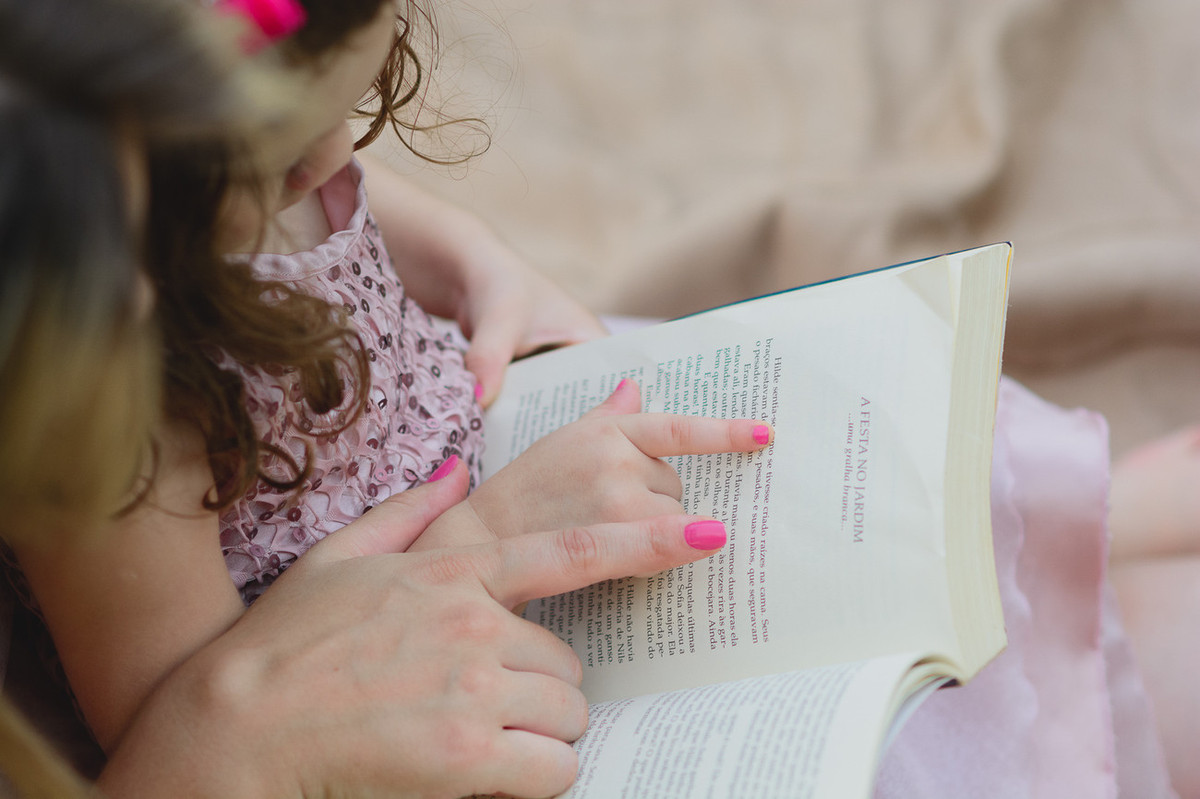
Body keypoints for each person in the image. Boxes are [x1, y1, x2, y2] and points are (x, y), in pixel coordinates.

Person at [0, 0, 760, 796]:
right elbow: (203, 712)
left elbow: (338, 181)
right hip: (383, 666)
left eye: (354, 107)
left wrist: (474, 261)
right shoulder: (122, 400)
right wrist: (480, 535)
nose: (333, 158)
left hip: (460, 438)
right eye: (286, 159)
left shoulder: (222, 152)